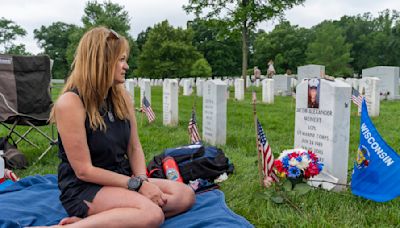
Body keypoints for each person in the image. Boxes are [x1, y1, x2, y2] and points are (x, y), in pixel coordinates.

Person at [49, 27, 195, 227]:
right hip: (85, 186)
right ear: (101, 61)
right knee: (152, 214)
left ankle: (102, 221)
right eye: (121, 59)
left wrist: (142, 179)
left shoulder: (121, 96)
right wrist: (136, 185)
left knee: (184, 195)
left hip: (123, 176)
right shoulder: (71, 103)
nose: (126, 66)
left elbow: (134, 147)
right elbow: (84, 171)